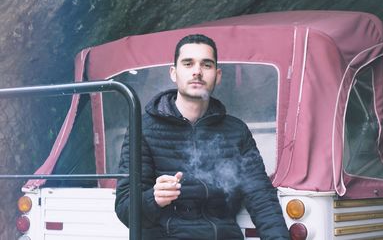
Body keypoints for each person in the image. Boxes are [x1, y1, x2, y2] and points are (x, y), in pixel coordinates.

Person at [115, 34, 290, 239]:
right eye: (188, 64)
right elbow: (125, 209)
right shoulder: (143, 129)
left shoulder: (236, 131)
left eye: (206, 65)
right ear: (174, 73)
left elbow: (261, 197)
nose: (197, 71)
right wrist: (154, 198)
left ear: (217, 75)